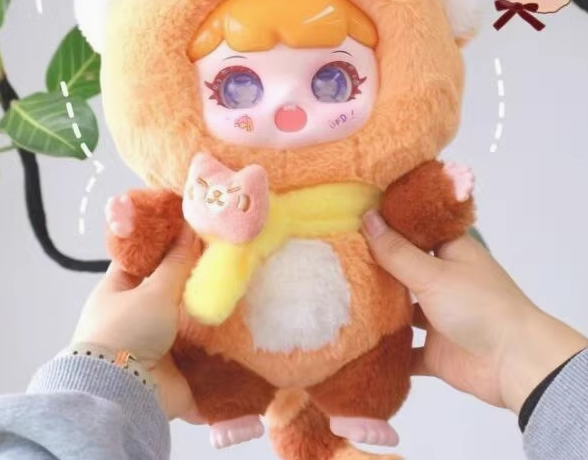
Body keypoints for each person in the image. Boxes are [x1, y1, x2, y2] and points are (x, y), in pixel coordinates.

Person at [0, 214, 586, 460]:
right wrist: (518, 352)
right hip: (227, 360)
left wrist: (111, 362)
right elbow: (148, 226)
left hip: (356, 357)